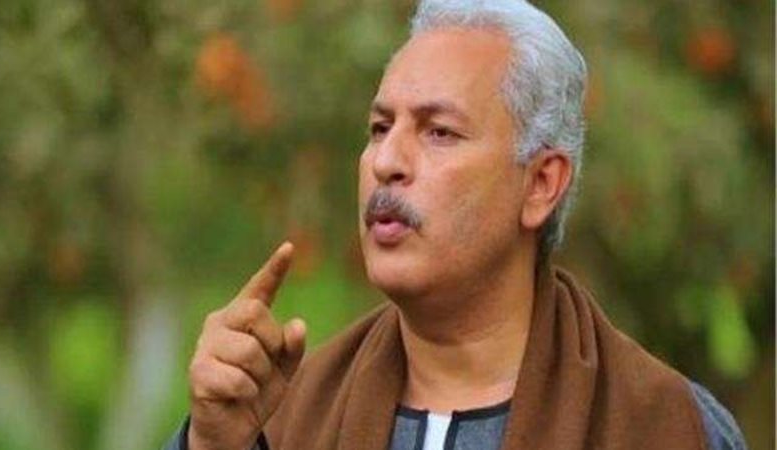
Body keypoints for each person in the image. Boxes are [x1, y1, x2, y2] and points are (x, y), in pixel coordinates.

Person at [166, 1, 748, 449]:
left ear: (541, 184)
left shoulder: (665, 424)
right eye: (379, 128)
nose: (387, 161)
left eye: (439, 131)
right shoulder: (288, 419)